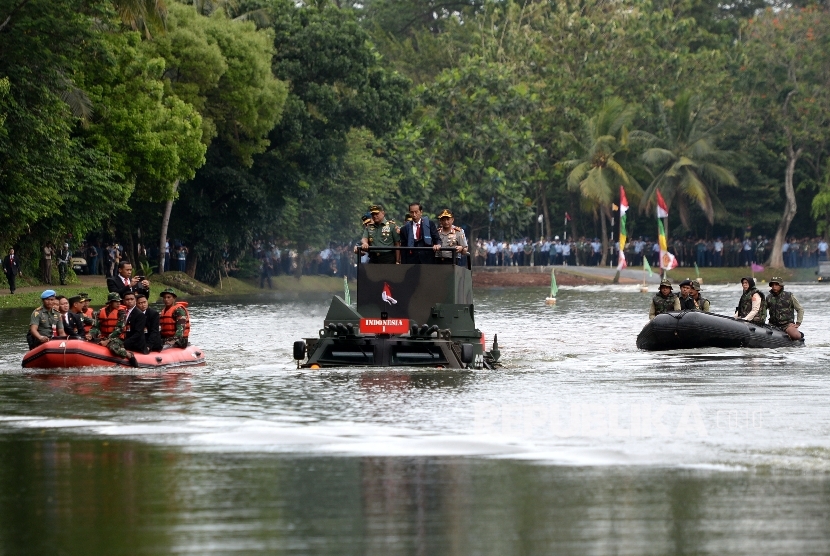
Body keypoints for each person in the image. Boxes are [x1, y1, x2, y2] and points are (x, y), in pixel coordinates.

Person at [96, 292, 138, 366]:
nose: (119, 303)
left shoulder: (121, 313)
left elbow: (119, 329)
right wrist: (90, 334)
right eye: (116, 301)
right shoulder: (100, 312)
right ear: (110, 302)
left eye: (119, 301)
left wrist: (107, 340)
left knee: (113, 347)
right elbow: (96, 326)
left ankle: (128, 355)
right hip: (103, 337)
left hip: (117, 338)